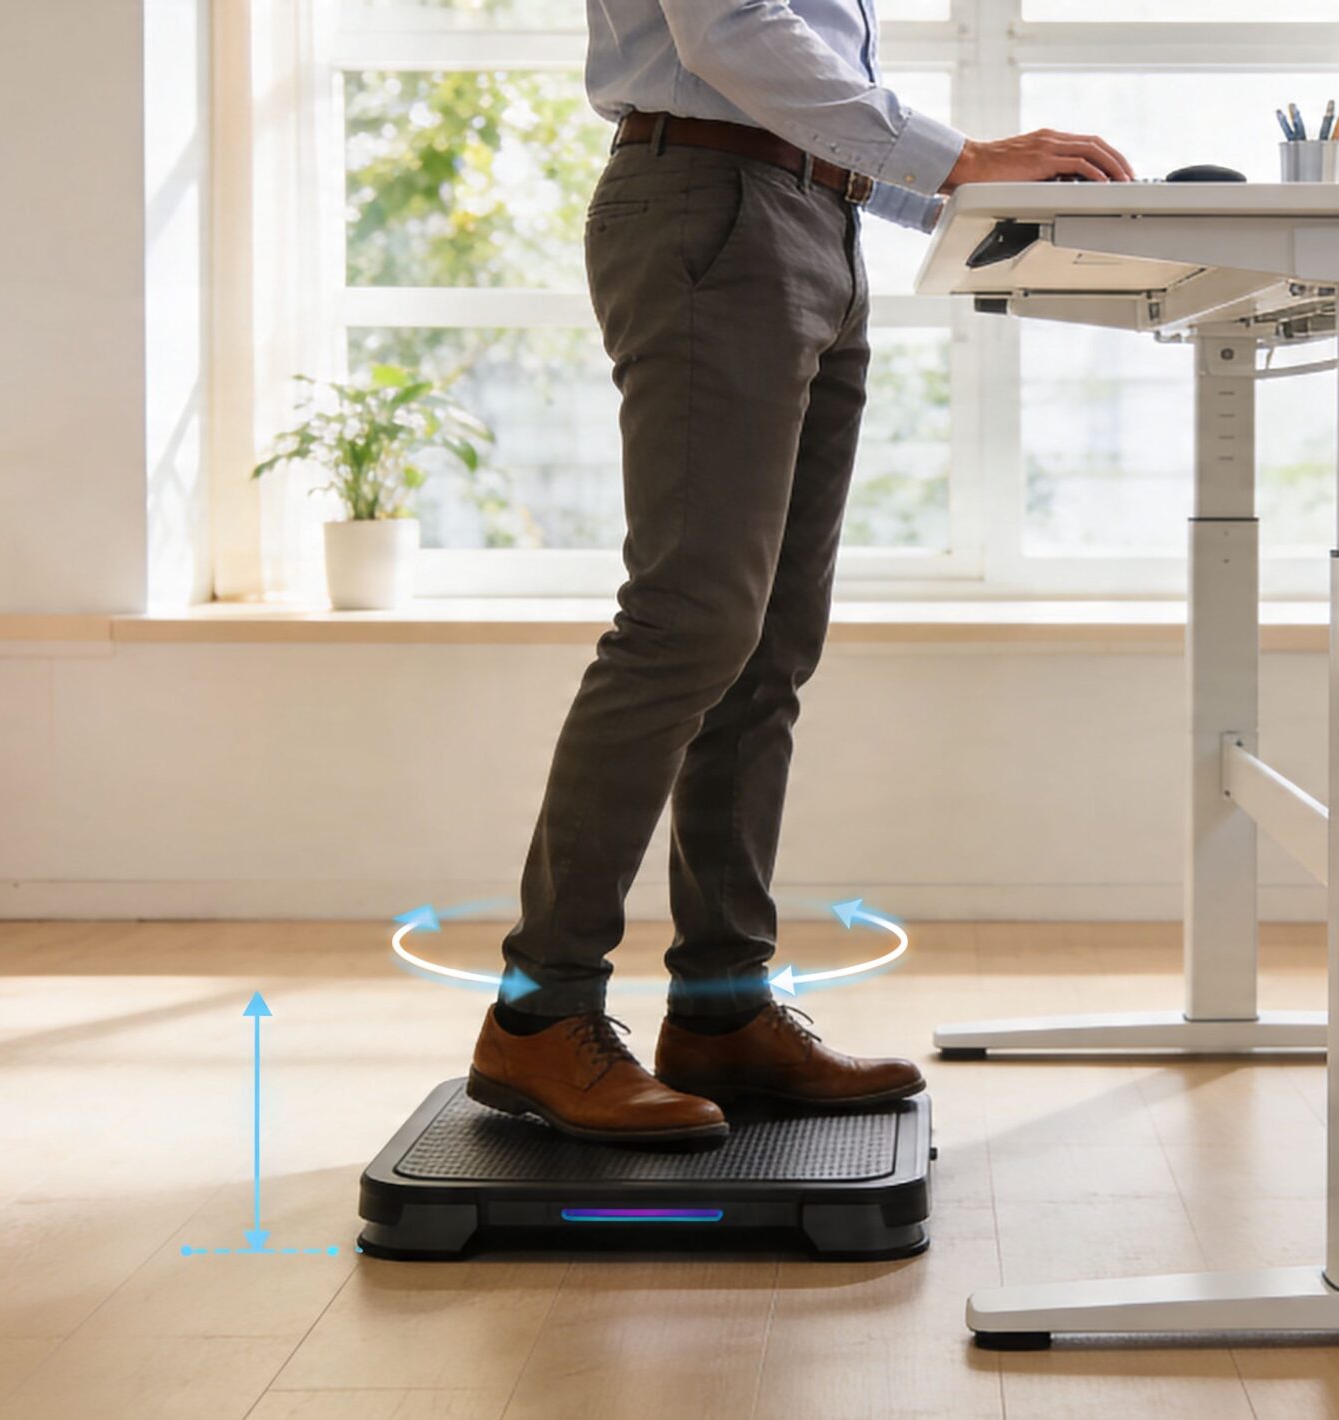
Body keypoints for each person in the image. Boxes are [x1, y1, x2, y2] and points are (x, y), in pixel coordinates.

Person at [468, 0, 1133, 1147]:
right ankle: (539, 1016)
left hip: (815, 213)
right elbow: (730, 29)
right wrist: (963, 159)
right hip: (711, 201)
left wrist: (966, 192)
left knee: (770, 647)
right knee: (687, 627)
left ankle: (723, 1009)